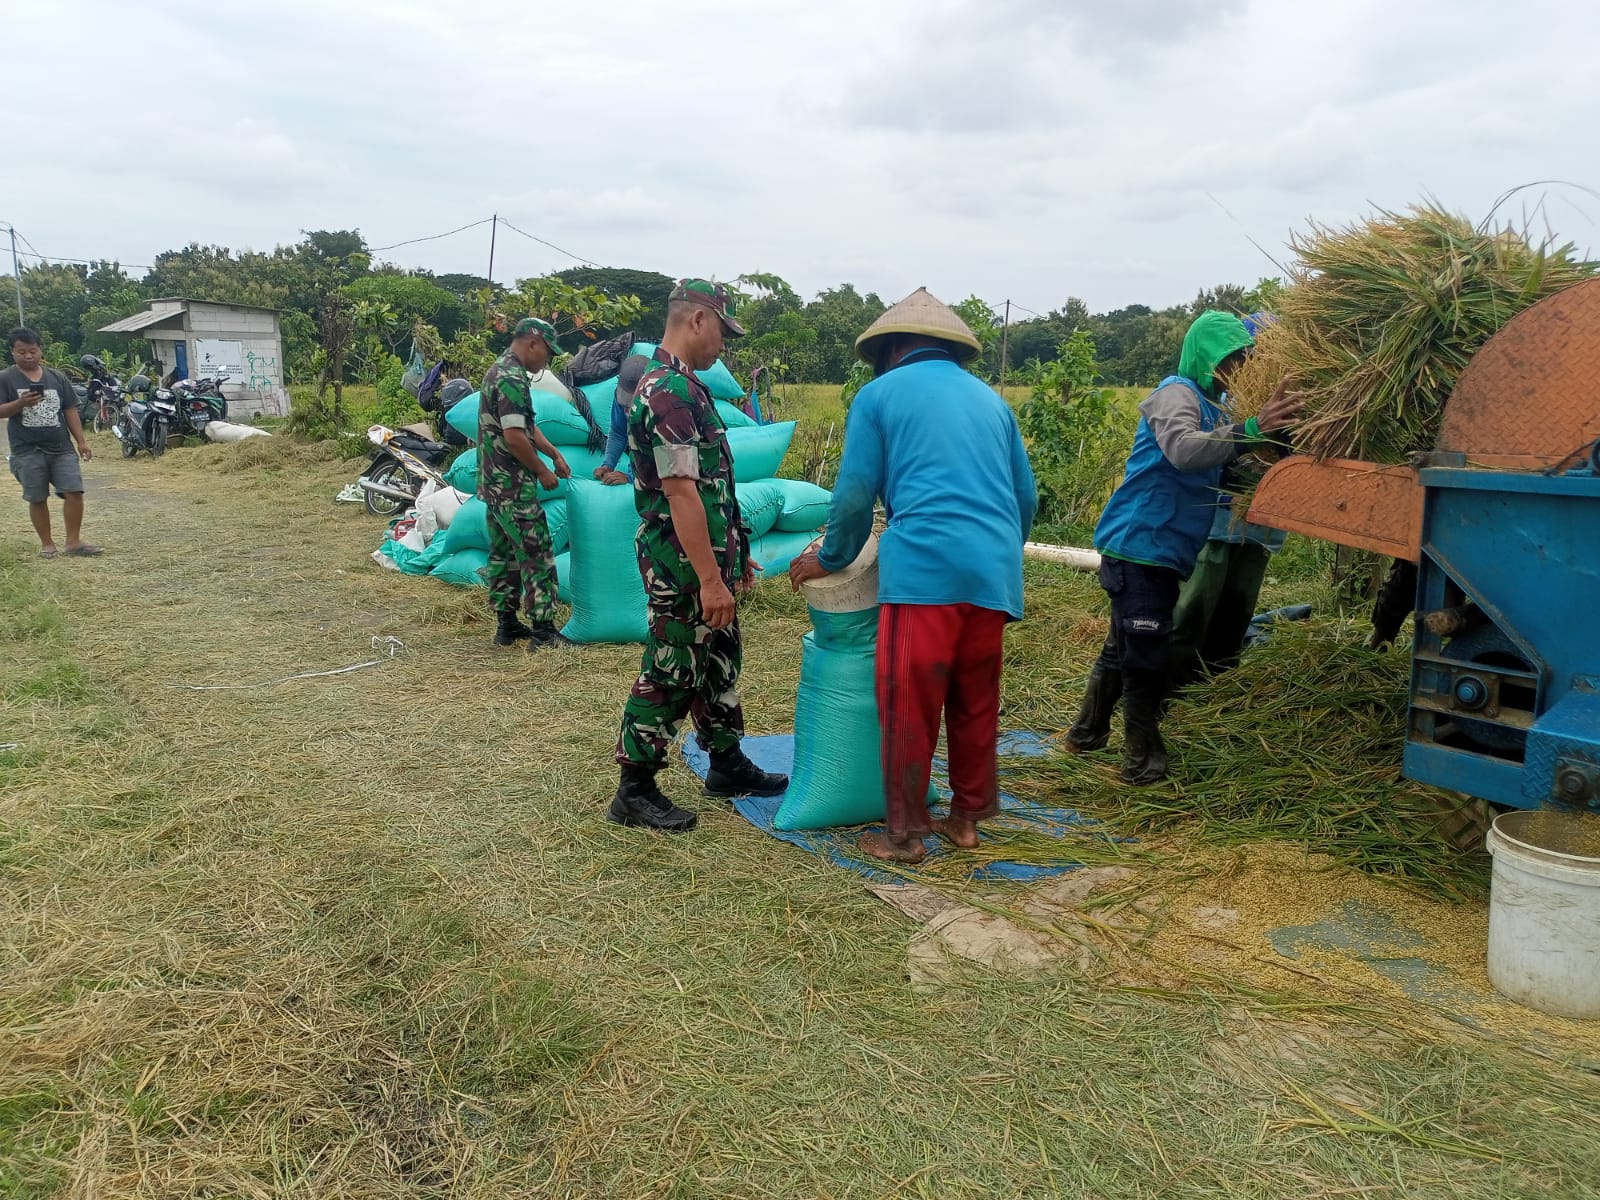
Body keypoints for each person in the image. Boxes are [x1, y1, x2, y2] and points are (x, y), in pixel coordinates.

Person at [789, 289, 1038, 863]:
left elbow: (854, 495)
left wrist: (828, 558)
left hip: (924, 571)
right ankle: (968, 820)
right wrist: (994, 549)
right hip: (993, 573)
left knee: (909, 702)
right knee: (975, 700)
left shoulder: (878, 396)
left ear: (891, 348)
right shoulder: (992, 402)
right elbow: (1025, 497)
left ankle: (904, 836)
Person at [1065, 311, 1299, 784]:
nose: (1238, 370)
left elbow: (1217, 466)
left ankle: (1085, 735)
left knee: (1123, 646)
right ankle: (1142, 762)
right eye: (1230, 360)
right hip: (1139, 544)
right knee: (1145, 653)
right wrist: (1251, 428)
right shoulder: (1177, 393)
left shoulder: (1214, 408)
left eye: (1244, 360)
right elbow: (1184, 451)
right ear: (1206, 356)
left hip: (1162, 548)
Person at [610, 279, 788, 832]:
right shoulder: (668, 392)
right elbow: (681, 493)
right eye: (722, 332)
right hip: (681, 565)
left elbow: (713, 488)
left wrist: (733, 557)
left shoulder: (686, 387)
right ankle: (634, 788)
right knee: (671, 669)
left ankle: (726, 763)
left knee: (717, 661)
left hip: (705, 559)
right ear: (697, 320)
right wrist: (710, 579)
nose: (723, 346)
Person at [1165, 312, 1289, 690]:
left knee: (1238, 603)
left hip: (1262, 517)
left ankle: (1216, 680)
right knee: (1195, 604)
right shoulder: (1207, 394)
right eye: (1245, 356)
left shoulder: (1289, 392)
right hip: (1218, 515)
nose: (1247, 364)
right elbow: (1192, 448)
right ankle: (1172, 685)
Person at [477, 317, 572, 649]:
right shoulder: (511, 378)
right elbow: (515, 438)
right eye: (547, 352)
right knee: (537, 553)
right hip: (513, 486)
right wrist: (543, 471)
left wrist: (553, 453)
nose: (547, 361)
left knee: (504, 556)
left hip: (494, 485)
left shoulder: (501, 370)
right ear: (534, 343)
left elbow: (526, 426)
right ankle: (544, 630)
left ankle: (507, 625)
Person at [1, 328, 100, 558]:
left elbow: (70, 410)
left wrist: (82, 442)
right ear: (12, 352)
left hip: (61, 448)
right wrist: (20, 403)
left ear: (40, 350)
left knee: (74, 491)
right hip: (26, 450)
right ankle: (47, 544)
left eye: (32, 351)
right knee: (37, 497)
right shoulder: (5, 378)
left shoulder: (56, 377)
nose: (28, 356)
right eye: (22, 352)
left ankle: (73, 542)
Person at [593, 352, 649, 486]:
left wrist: (631, 478)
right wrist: (608, 465)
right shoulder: (620, 396)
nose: (628, 410)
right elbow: (619, 432)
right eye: (626, 405)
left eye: (633, 404)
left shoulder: (664, 404)